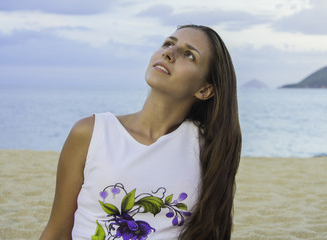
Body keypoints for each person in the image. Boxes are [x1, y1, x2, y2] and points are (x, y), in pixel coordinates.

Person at [40, 24, 242, 240]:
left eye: (188, 55)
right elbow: (58, 231)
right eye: (168, 44)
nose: (168, 53)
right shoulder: (91, 133)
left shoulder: (208, 147)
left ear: (205, 89)